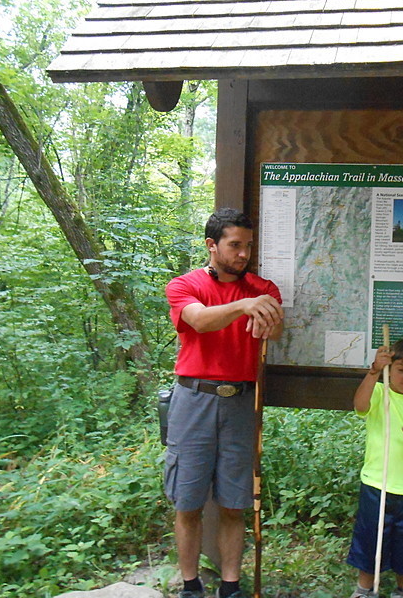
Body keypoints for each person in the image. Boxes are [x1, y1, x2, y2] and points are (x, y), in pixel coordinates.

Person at [164, 208, 284, 598]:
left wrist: (267, 316)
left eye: (248, 246)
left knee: (235, 503)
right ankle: (190, 584)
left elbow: (276, 328)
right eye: (235, 245)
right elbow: (198, 320)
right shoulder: (184, 285)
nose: (243, 254)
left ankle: (230, 586)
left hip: (240, 403)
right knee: (188, 500)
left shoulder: (263, 289)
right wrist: (242, 307)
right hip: (194, 398)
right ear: (211, 245)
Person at [346, 338, 403, 598]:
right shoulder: (378, 392)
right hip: (377, 484)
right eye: (400, 369)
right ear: (390, 370)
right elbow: (360, 406)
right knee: (370, 542)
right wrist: (374, 371)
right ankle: (364, 589)